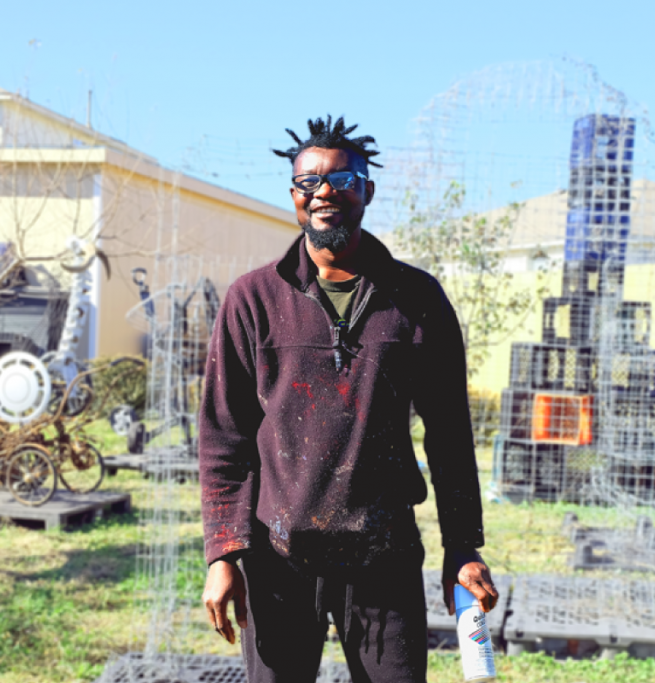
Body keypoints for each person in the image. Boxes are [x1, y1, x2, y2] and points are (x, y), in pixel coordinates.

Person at [199, 115, 498, 683]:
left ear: (368, 190)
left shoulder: (416, 299)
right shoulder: (253, 300)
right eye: (308, 182)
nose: (324, 192)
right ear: (294, 196)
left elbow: (450, 433)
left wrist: (462, 546)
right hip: (279, 555)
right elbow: (224, 436)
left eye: (342, 178)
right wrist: (223, 552)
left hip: (383, 554)